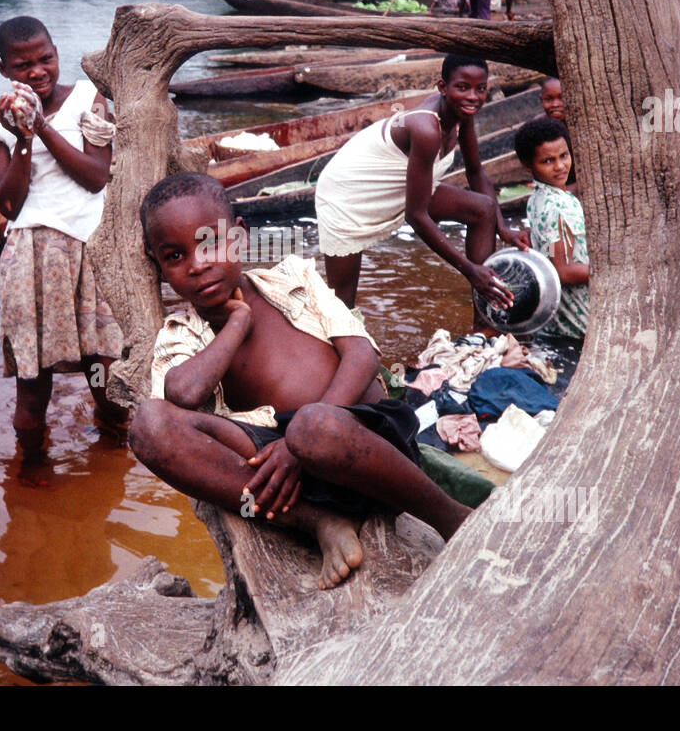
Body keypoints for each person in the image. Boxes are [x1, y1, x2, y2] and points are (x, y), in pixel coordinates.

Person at [128, 173, 471, 589]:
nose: (198, 264)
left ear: (238, 237)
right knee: (149, 424)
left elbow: (362, 355)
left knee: (314, 426)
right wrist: (237, 321)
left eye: (210, 243)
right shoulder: (181, 335)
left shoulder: (294, 277)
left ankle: (448, 515)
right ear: (159, 266)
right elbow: (182, 394)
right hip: (285, 478)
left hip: (363, 441)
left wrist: (298, 444)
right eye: (175, 256)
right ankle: (317, 523)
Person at [0, 16, 126, 451]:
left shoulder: (89, 99)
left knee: (106, 378)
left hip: (90, 254)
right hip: (30, 258)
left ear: (57, 54)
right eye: (22, 66)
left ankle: (112, 456)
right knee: (34, 386)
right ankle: (30, 475)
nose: (36, 72)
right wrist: (23, 138)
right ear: (4, 71)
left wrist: (45, 128)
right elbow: (9, 204)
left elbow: (96, 177)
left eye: (45, 59)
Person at [315, 55, 529, 309]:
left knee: (484, 209)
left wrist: (502, 227)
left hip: (401, 185)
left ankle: (485, 327)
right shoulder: (426, 128)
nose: (473, 96)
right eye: (462, 87)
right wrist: (469, 270)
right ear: (442, 87)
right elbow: (416, 216)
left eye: (480, 89)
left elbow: (475, 172)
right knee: (342, 304)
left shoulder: (464, 113)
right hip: (348, 192)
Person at [515, 118, 589, 340]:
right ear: (529, 166)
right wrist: (610, 270)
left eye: (564, 156)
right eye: (548, 161)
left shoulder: (538, 197)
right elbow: (564, 271)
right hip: (580, 322)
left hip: (558, 318)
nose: (559, 166)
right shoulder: (558, 206)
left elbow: (549, 248)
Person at [535, 76, 576, 190]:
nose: (555, 104)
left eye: (561, 98)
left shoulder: (579, 126)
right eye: (548, 99)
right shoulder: (539, 127)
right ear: (541, 99)